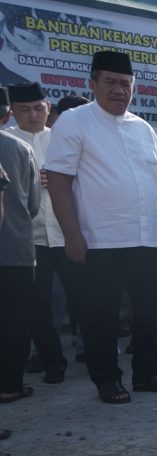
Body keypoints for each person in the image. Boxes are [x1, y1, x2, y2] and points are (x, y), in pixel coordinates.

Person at [45, 51, 157, 404]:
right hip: (99, 239)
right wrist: (72, 235)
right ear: (93, 84)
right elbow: (59, 180)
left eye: (126, 84)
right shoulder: (74, 122)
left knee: (153, 311)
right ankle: (107, 379)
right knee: (101, 315)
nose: (119, 90)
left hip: (147, 239)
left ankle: (148, 373)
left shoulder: (142, 128)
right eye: (110, 82)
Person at [7, 82, 68, 384]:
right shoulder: (8, 143)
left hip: (70, 233)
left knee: (88, 299)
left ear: (48, 108)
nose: (32, 115)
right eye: (24, 109)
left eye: (38, 108)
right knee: (38, 305)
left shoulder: (64, 139)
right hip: (31, 239)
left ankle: (99, 359)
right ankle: (53, 360)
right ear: (11, 112)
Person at [0, 86, 40, 405]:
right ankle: (10, 385)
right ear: (8, 114)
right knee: (14, 321)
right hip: (16, 249)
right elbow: (33, 202)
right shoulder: (19, 148)